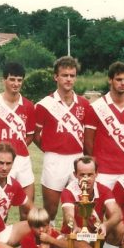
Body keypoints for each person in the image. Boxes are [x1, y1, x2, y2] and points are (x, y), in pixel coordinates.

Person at [84, 61, 124, 248]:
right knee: (97, 216)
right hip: (104, 171)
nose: (122, 83)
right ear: (110, 80)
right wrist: (95, 168)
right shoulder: (96, 107)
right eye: (118, 79)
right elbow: (88, 141)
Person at [34, 56, 89, 224]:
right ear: (56, 77)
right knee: (50, 210)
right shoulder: (44, 105)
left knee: (79, 208)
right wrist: (50, 148)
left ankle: (71, 239)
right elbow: (35, 134)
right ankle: (48, 237)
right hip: (54, 159)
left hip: (78, 159)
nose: (69, 79)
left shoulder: (84, 104)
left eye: (72, 75)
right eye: (64, 75)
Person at [0, 62, 36, 216]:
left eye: (19, 80)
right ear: (4, 80)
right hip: (0, 163)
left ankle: (26, 234)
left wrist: (18, 149)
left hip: (23, 162)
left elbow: (30, 135)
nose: (16, 84)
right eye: (12, 79)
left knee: (28, 211)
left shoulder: (28, 106)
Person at [60, 156, 123, 248]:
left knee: (119, 227)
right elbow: (68, 215)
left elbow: (117, 214)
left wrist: (106, 225)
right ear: (75, 175)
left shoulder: (104, 189)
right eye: (82, 175)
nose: (86, 178)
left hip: (95, 234)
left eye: (90, 174)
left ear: (96, 174)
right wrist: (74, 227)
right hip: (76, 236)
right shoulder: (69, 191)